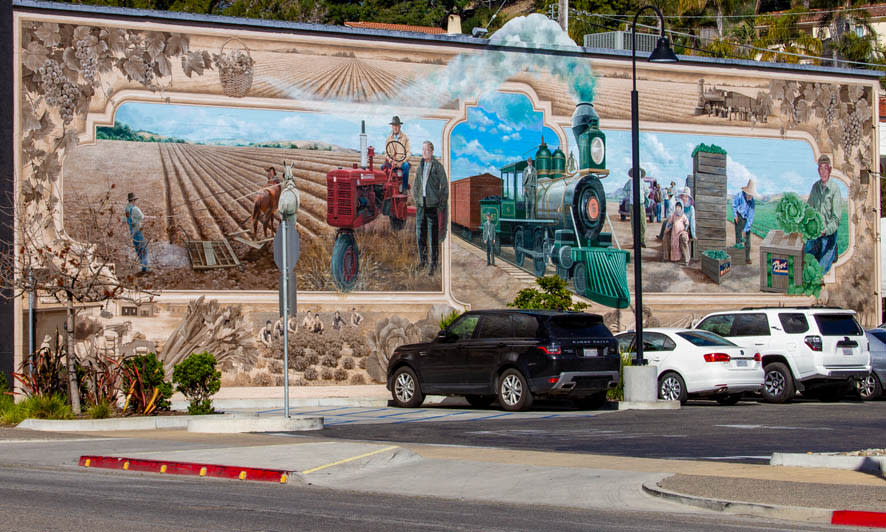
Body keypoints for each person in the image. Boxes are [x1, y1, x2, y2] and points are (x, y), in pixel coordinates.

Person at [413, 140, 449, 276]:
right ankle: (423, 262)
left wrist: (441, 205)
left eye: (427, 150)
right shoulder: (419, 166)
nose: (424, 152)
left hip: (432, 207)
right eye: (422, 150)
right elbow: (416, 186)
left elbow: (445, 187)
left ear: (432, 152)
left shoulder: (438, 167)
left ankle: (433, 265)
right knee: (420, 236)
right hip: (421, 207)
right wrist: (417, 200)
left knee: (433, 238)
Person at [805, 154, 841, 275]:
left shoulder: (835, 189)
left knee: (819, 271)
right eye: (821, 168)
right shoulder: (815, 187)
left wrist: (825, 230)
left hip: (828, 236)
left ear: (830, 170)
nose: (823, 171)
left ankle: (832, 249)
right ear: (818, 170)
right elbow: (809, 209)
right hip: (816, 235)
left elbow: (836, 219)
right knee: (805, 261)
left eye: (826, 168)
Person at [382, 116, 411, 193]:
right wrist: (391, 161)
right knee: (382, 167)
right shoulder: (389, 138)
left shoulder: (405, 138)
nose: (395, 127)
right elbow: (386, 153)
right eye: (394, 126)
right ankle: (385, 188)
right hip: (392, 162)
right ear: (392, 126)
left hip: (401, 161)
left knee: (406, 166)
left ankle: (404, 188)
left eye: (397, 126)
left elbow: (408, 153)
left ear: (400, 126)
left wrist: (402, 161)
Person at [732, 179, 757, 264]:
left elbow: (750, 218)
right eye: (749, 194)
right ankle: (738, 256)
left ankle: (747, 258)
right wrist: (735, 216)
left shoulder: (752, 203)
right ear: (746, 192)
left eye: (751, 195)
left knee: (747, 239)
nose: (750, 196)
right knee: (738, 237)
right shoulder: (739, 195)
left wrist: (746, 229)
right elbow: (734, 205)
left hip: (746, 219)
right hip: (739, 217)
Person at [124, 192, 149, 273]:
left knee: (138, 250)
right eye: (135, 200)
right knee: (143, 250)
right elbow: (142, 217)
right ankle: (145, 269)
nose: (136, 202)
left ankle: (143, 267)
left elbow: (126, 219)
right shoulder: (135, 209)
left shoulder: (127, 208)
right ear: (133, 200)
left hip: (132, 232)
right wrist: (148, 217)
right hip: (138, 231)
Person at [661, 200, 691, 266]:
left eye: (679, 207)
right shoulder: (674, 215)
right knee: (674, 245)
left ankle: (686, 259)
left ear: (681, 208)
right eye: (676, 207)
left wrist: (685, 230)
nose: (677, 209)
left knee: (683, 240)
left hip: (681, 232)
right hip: (674, 233)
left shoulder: (683, 215)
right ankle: (674, 258)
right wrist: (668, 226)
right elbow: (670, 222)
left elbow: (687, 223)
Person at [625, 168, 649, 248]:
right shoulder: (630, 182)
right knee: (634, 223)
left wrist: (645, 197)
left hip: (641, 205)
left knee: (642, 223)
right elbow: (625, 189)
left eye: (638, 173)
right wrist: (629, 196)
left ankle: (642, 241)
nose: (637, 174)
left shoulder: (643, 183)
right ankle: (635, 242)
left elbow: (647, 191)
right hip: (633, 205)